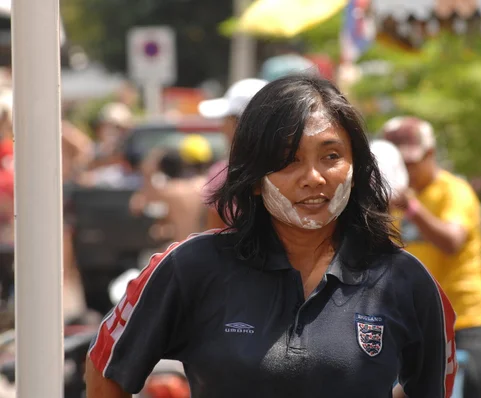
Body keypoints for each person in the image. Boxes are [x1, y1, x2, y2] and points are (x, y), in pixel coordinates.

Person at [86, 75, 457, 397]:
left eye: (331, 156)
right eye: (288, 160)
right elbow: (106, 369)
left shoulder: (404, 280)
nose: (313, 176)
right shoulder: (191, 267)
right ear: (253, 179)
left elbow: (433, 386)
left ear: (355, 168)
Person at [383, 116, 481, 398]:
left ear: (430, 154)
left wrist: (411, 208)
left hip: (464, 321)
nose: (406, 171)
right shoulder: (387, 199)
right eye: (399, 164)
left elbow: (452, 241)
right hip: (414, 322)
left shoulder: (454, 191)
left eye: (411, 163)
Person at [198, 78, 268, 230]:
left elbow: (213, 235)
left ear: (242, 124)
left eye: (226, 120)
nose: (222, 128)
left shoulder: (222, 174)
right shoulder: (287, 169)